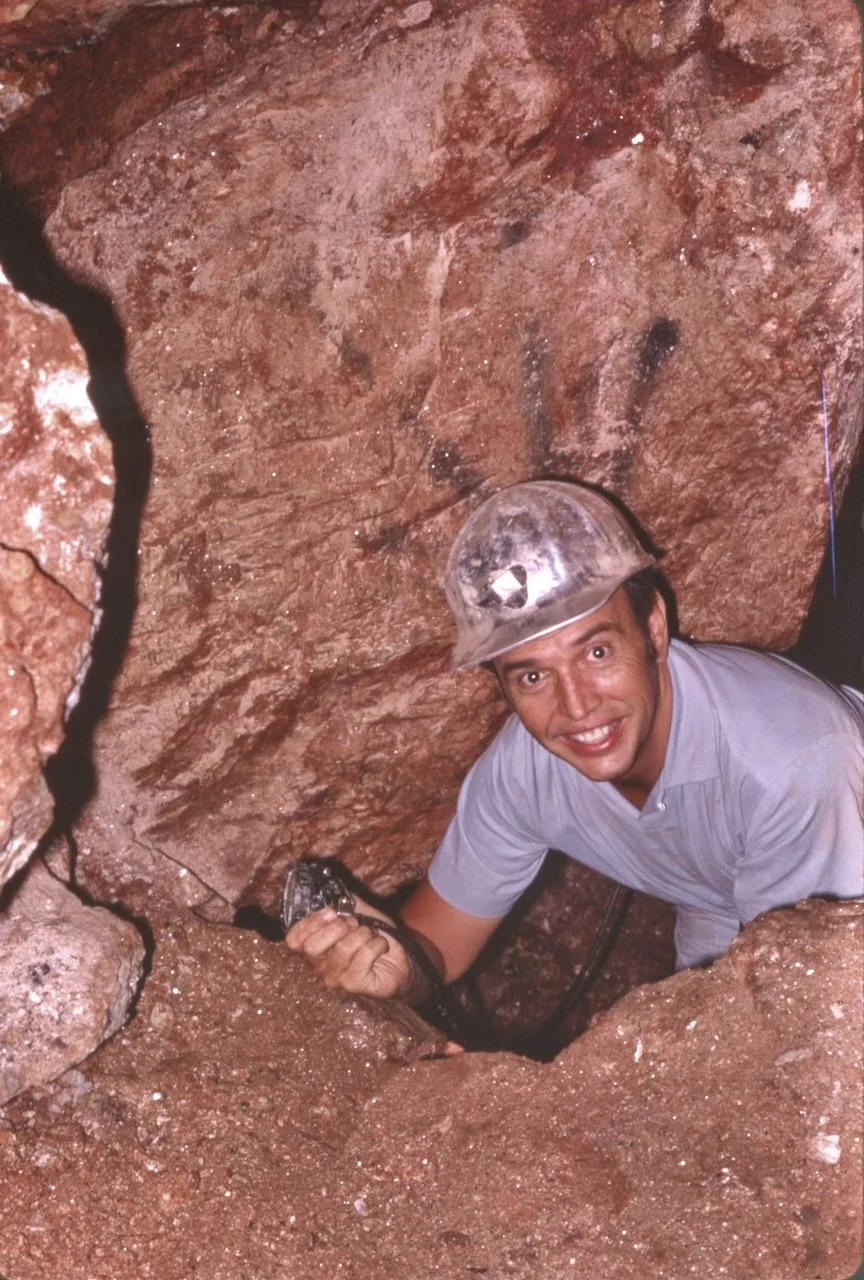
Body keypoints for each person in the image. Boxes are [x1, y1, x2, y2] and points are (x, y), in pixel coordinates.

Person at [286, 479, 864, 1006]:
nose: (578, 705)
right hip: (725, 907)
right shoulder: (522, 775)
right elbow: (433, 945)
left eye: (596, 652)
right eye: (533, 676)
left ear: (653, 629)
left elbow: (818, 997)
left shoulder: (794, 761)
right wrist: (392, 968)